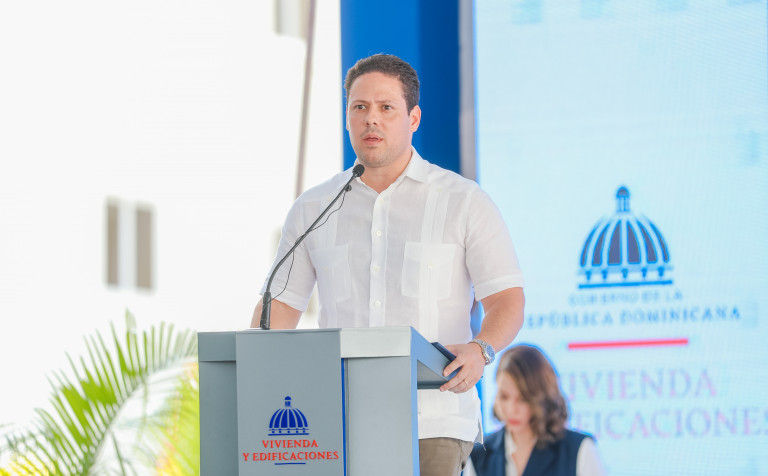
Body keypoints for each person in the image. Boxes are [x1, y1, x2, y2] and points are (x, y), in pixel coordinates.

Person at [250, 53, 525, 476]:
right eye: (359, 107)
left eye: (386, 107)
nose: (371, 119)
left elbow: (507, 300)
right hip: (338, 420)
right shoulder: (313, 209)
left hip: (433, 419)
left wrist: (481, 350)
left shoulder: (464, 201)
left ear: (414, 118)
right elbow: (278, 310)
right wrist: (254, 378)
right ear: (347, 118)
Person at [463, 345, 607, 476]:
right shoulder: (479, 455)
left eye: (523, 399)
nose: (511, 409)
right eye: (504, 397)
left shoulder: (579, 450)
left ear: (542, 397)